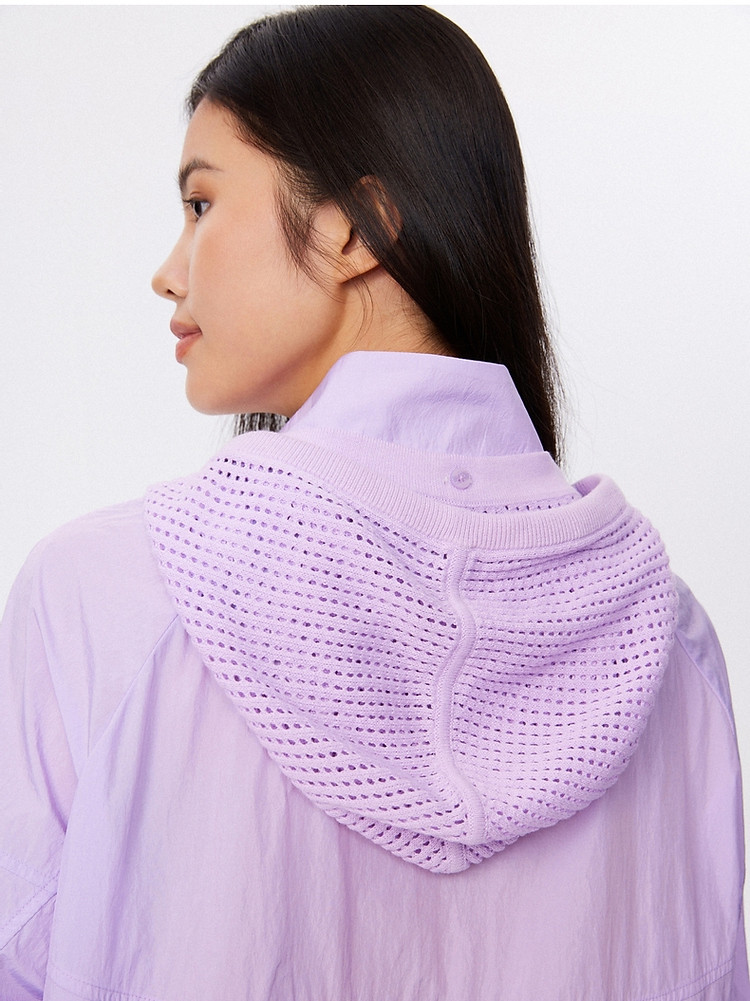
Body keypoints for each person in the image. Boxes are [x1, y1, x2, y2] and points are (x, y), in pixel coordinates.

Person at [1, 6, 746, 1000]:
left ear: (355, 226)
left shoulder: (106, 599)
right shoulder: (669, 649)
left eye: (201, 204)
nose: (168, 272)